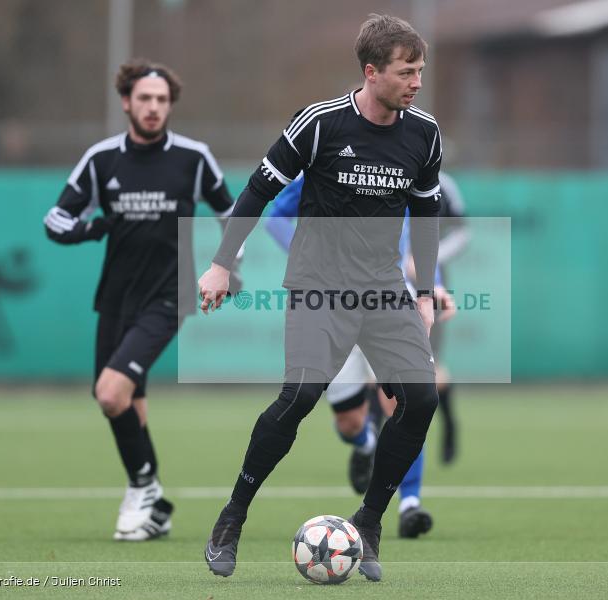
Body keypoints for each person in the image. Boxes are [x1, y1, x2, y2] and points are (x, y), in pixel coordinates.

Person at [198, 14, 442, 581]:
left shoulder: (425, 134)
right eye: (406, 72)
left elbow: (428, 214)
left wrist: (426, 294)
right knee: (301, 395)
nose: (416, 82)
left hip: (384, 290)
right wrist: (220, 263)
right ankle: (232, 517)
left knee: (421, 399)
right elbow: (258, 189)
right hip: (319, 288)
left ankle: (370, 521)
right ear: (371, 71)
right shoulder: (320, 123)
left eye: (420, 71)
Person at [43, 58, 236, 541]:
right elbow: (55, 220)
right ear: (126, 102)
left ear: (171, 105)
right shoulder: (102, 159)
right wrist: (94, 228)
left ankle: (143, 489)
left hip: (169, 297)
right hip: (114, 299)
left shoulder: (193, 157)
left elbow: (233, 214)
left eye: (162, 100)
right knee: (126, 403)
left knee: (110, 393)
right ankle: (155, 506)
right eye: (145, 98)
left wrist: (226, 266)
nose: (153, 107)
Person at [265, 174, 457, 538]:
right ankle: (365, 443)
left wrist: (433, 285)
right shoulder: (317, 168)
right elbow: (275, 219)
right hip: (332, 305)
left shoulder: (398, 165)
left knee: (404, 404)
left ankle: (410, 503)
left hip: (388, 304)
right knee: (350, 422)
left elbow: (419, 232)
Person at [403, 172, 470, 464]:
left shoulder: (445, 185)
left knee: (431, 364)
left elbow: (462, 232)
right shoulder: (379, 171)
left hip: (428, 280)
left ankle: (449, 424)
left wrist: (428, 256)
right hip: (381, 278)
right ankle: (369, 449)